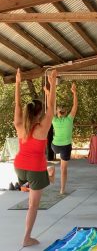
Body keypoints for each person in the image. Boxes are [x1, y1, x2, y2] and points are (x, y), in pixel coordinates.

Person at [14, 68, 57, 247]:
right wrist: (52, 83)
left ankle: (37, 181)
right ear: (39, 113)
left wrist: (17, 82)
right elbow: (52, 107)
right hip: (34, 167)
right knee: (33, 205)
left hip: (19, 168)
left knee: (41, 177)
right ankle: (27, 238)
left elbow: (17, 104)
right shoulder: (42, 128)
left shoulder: (19, 125)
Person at [50, 83, 78, 195]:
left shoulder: (54, 120)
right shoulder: (69, 119)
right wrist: (74, 92)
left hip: (54, 146)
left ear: (57, 112)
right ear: (66, 112)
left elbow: (50, 105)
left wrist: (48, 93)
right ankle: (62, 189)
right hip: (65, 147)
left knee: (58, 162)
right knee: (63, 169)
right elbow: (75, 106)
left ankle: (50, 169)